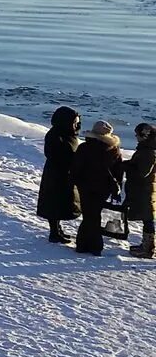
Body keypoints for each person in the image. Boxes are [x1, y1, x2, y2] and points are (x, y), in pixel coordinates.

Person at [72, 120, 125, 257]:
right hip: (104, 188)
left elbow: (76, 168)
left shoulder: (85, 147)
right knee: (95, 214)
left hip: (85, 186)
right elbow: (118, 171)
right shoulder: (113, 149)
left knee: (89, 215)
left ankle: (85, 245)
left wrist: (76, 181)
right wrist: (116, 187)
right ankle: (93, 245)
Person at [36, 106, 81, 244]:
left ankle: (57, 230)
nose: (77, 126)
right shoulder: (55, 136)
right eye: (74, 123)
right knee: (54, 203)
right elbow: (55, 154)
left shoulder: (67, 134)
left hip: (63, 174)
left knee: (61, 202)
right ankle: (54, 232)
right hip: (56, 175)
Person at [126, 123, 155, 259]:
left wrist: (127, 166)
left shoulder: (148, 152)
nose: (136, 137)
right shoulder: (148, 149)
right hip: (148, 188)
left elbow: (142, 172)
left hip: (146, 190)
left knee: (148, 219)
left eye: (137, 134)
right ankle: (146, 245)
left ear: (144, 136)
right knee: (147, 218)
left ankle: (148, 248)